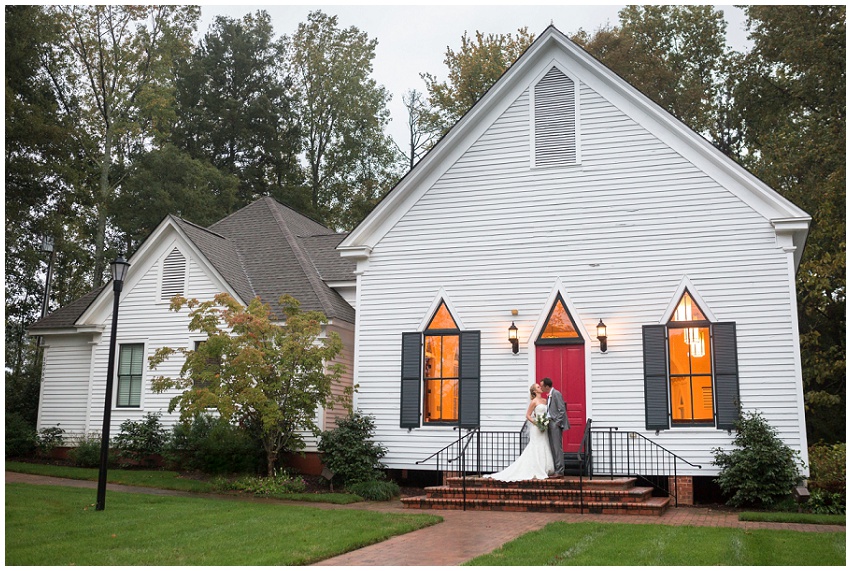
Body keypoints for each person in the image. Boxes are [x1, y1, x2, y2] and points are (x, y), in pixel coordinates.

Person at [484, 384, 554, 481]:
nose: (540, 388)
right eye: (538, 387)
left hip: (544, 427)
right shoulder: (534, 402)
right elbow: (528, 415)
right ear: (534, 391)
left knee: (544, 444)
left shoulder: (545, 400)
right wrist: (537, 423)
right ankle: (536, 467)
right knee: (536, 446)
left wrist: (545, 422)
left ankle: (545, 467)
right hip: (537, 428)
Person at [541, 377, 567, 476]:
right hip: (549, 423)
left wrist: (557, 423)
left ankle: (560, 470)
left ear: (547, 386)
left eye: (542, 386)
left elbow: (561, 409)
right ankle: (556, 468)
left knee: (557, 447)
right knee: (552, 447)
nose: (541, 388)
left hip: (555, 423)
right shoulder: (549, 396)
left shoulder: (556, 394)